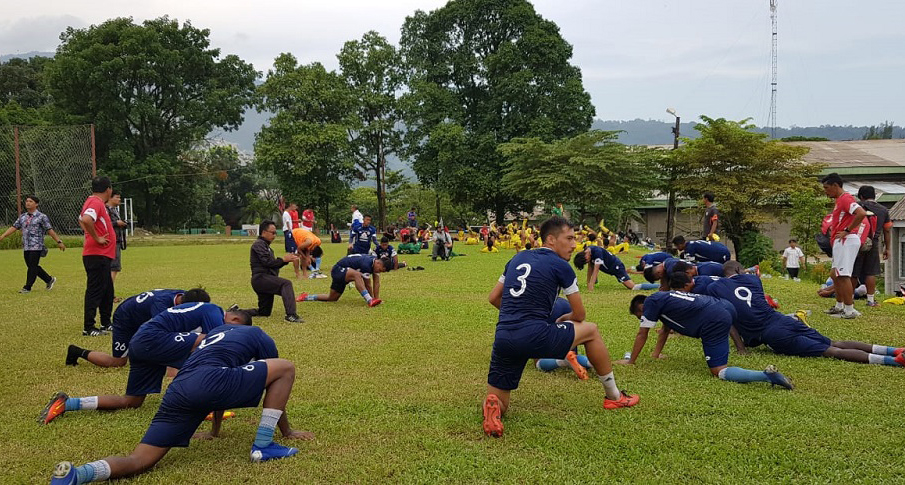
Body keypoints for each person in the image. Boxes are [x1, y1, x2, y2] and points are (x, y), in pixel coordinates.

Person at [49, 323, 314, 484]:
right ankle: (264, 446)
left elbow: (218, 389)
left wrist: (215, 431)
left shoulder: (213, 335)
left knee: (139, 460)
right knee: (285, 368)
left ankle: (78, 475)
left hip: (178, 390)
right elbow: (275, 387)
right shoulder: (256, 334)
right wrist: (287, 431)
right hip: (210, 381)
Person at [482, 216, 639, 438]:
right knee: (591, 330)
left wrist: (517, 315)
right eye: (569, 238)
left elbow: (493, 298)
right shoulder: (561, 266)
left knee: (501, 401)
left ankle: (494, 409)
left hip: (504, 337)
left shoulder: (517, 258)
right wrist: (565, 318)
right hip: (536, 334)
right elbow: (580, 314)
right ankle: (614, 397)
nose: (575, 244)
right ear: (551, 239)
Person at [40, 302, 249, 424]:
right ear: (235, 321)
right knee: (207, 344)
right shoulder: (214, 312)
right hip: (152, 339)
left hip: (143, 343)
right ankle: (204, 406)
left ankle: (67, 403)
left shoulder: (206, 309)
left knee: (131, 401)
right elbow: (215, 345)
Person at [710, 262, 904, 367]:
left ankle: (893, 361)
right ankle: (893, 350)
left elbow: (728, 320)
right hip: (784, 320)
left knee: (831, 352)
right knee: (834, 343)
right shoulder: (753, 281)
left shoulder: (715, 288)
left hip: (772, 334)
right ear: (739, 270)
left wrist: (741, 347)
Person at [622, 272, 794, 389]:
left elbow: (642, 333)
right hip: (725, 307)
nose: (641, 319)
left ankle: (766, 376)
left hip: (714, 317)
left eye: (639, 315)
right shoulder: (666, 300)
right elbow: (665, 330)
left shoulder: (651, 302)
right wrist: (655, 354)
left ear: (641, 307)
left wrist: (631, 362)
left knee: (718, 371)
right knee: (718, 333)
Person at [65, 288, 208, 368]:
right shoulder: (161, 306)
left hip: (141, 316)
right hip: (125, 319)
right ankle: (76, 351)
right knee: (118, 362)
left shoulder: (184, 296)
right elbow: (167, 335)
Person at [822, 173, 868, 319]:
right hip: (840, 241)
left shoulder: (846, 198)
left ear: (835, 185)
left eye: (827, 188)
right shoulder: (839, 200)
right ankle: (839, 306)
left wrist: (847, 230)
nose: (825, 192)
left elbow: (861, 213)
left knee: (843, 275)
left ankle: (849, 310)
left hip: (846, 241)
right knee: (835, 274)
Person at [0, 195, 65, 293]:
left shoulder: (42, 217)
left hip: (37, 245)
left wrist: (59, 241)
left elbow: (49, 230)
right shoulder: (23, 217)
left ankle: (27, 287)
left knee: (32, 266)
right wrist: (3, 236)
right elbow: (14, 227)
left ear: (36, 204)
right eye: (27, 201)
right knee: (32, 266)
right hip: (26, 245)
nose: (28, 203)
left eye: (30, 201)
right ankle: (49, 279)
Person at [78, 176, 116, 337]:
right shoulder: (95, 202)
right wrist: (96, 237)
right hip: (97, 255)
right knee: (95, 290)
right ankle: (89, 327)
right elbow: (87, 219)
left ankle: (106, 323)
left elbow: (81, 219)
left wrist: (90, 233)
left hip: (102, 255)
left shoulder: (94, 202)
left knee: (107, 290)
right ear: (108, 189)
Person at [250, 220, 303, 323]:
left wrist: (285, 261)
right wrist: (283, 260)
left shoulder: (266, 247)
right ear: (264, 232)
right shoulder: (258, 244)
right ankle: (291, 315)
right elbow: (267, 262)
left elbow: (272, 265)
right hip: (261, 279)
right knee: (286, 284)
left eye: (276, 233)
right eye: (273, 233)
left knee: (264, 312)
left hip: (264, 280)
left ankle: (236, 312)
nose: (274, 236)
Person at [297, 254, 392, 307]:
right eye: (380, 270)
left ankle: (305, 297)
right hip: (338, 270)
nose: (379, 272)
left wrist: (377, 298)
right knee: (357, 275)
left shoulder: (374, 264)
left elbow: (376, 283)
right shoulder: (367, 264)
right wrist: (371, 299)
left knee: (332, 298)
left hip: (345, 273)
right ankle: (369, 300)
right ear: (378, 263)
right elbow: (368, 284)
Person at [534, 298, 593, 379]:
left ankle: (562, 361)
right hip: (566, 305)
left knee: (538, 361)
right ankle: (593, 363)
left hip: (545, 309)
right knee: (572, 353)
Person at [854, 185, 892, 307]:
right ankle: (870, 300)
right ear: (874, 196)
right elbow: (887, 230)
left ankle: (849, 300)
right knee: (870, 272)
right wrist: (887, 248)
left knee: (853, 272)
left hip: (857, 241)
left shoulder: (856, 206)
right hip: (873, 243)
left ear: (861, 196)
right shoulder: (883, 210)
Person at [573, 245, 658, 291]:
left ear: (585, 256)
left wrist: (591, 286)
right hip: (612, 269)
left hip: (617, 267)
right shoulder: (588, 252)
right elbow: (590, 268)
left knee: (632, 287)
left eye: (586, 261)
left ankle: (658, 285)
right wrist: (588, 282)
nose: (587, 262)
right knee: (632, 286)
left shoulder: (597, 252)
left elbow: (595, 271)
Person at [282, 203, 301, 278]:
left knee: (289, 243)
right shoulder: (286, 213)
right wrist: (290, 230)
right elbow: (287, 222)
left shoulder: (287, 213)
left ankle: (291, 252)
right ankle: (291, 253)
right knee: (290, 244)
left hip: (288, 229)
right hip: (287, 230)